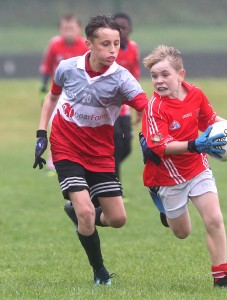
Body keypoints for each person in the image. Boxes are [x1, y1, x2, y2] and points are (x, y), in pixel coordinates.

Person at [33, 14, 149, 286]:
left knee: (118, 218)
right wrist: (41, 133)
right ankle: (100, 272)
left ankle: (77, 213)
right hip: (67, 145)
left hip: (100, 152)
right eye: (105, 44)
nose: (112, 50)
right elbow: (51, 98)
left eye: (117, 44)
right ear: (89, 44)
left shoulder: (122, 79)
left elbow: (147, 106)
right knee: (86, 213)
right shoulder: (67, 68)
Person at [140, 45, 227, 288]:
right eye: (154, 76)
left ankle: (222, 277)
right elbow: (160, 147)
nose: (158, 81)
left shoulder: (195, 94)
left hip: (197, 168)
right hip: (167, 176)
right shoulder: (154, 108)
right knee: (182, 232)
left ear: (181, 75)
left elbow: (209, 119)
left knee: (214, 219)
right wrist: (194, 144)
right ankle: (163, 205)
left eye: (165, 74)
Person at [39, 13, 88, 171]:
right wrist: (43, 86)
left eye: (71, 28)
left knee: (79, 123)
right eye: (65, 28)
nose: (68, 32)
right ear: (60, 29)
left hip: (80, 92)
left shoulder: (84, 46)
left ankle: (80, 153)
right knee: (55, 121)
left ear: (79, 29)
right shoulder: (54, 45)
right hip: (59, 91)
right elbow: (47, 66)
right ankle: (53, 156)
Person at [113, 12, 141, 183]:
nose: (121, 31)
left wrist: (138, 106)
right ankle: (115, 187)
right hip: (108, 105)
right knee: (115, 142)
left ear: (130, 29)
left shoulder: (133, 48)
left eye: (123, 27)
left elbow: (134, 77)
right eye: (117, 27)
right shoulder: (108, 49)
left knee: (127, 146)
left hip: (124, 106)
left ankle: (104, 170)